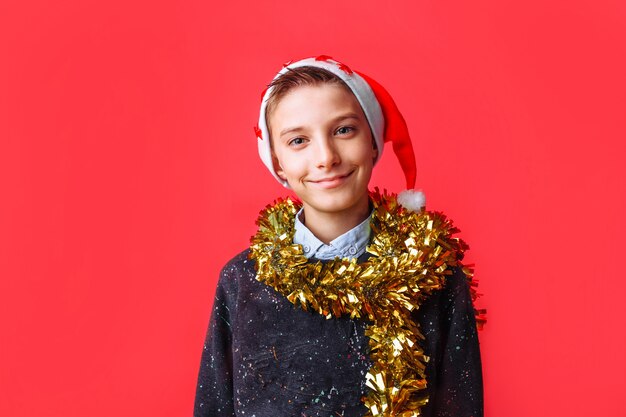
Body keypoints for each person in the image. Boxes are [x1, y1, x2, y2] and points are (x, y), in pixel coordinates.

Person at [193, 55, 485, 417]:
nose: (326, 157)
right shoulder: (241, 281)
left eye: (343, 130)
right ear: (278, 162)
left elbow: (461, 406)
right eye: (299, 140)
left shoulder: (433, 275)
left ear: (374, 142)